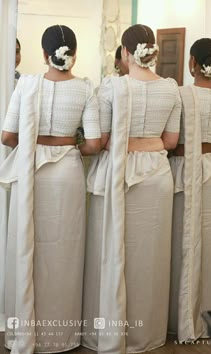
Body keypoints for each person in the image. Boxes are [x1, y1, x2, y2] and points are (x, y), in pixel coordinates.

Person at [0, 24, 101, 354]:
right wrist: (71, 145)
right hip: (68, 172)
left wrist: (35, 144)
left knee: (28, 246)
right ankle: (64, 335)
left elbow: (7, 136)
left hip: (32, 173)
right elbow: (95, 143)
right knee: (65, 251)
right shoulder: (87, 90)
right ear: (74, 54)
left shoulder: (27, 85)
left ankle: (25, 331)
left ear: (44, 54)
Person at [82, 24, 181, 353]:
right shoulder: (171, 89)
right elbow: (171, 141)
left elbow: (103, 139)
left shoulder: (112, 87)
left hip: (121, 173)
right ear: (150, 51)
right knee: (151, 256)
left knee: (113, 250)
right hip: (157, 175)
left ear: (126, 52)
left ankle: (110, 329)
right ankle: (147, 334)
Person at [168, 38, 211, 342]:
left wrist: (191, 153)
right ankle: (206, 317)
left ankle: (177, 318)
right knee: (209, 246)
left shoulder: (180, 95)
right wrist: (209, 151)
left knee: (180, 242)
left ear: (193, 62)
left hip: (183, 171)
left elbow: (169, 140)